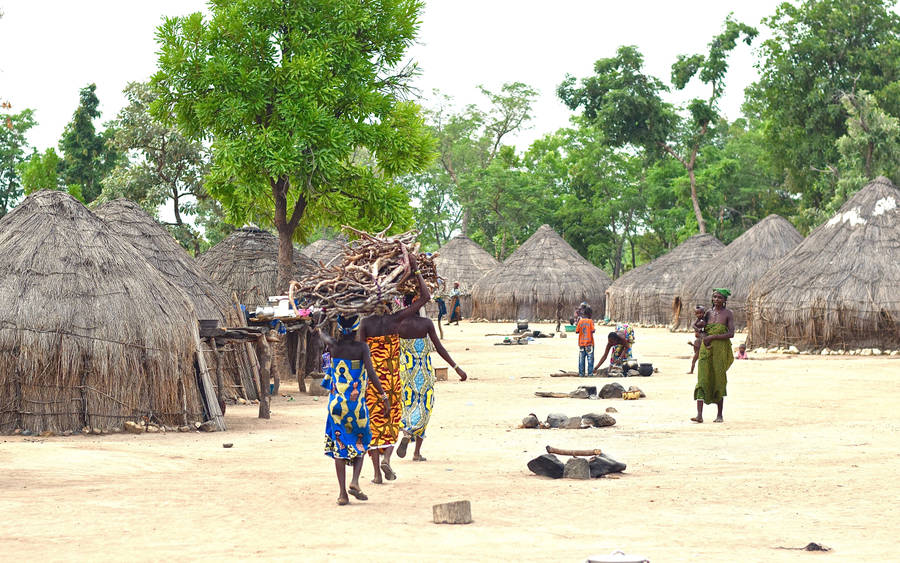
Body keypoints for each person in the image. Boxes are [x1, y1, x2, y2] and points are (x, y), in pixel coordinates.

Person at [358, 256, 430, 484]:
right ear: (390, 301)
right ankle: (387, 459)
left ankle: (377, 475)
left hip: (372, 383)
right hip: (392, 380)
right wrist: (416, 270)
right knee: (391, 422)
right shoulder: (396, 319)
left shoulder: (365, 324)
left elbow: (361, 357)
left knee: (373, 424)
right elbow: (426, 298)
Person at [318, 315, 389, 506]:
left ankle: (342, 494)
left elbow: (319, 331)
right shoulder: (362, 348)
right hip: (356, 407)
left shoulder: (333, 346)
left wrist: (325, 314)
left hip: (336, 406)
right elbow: (372, 373)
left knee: (339, 446)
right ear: (357, 328)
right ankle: (355, 481)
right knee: (362, 440)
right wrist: (384, 397)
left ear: (340, 329)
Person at [394, 292, 468, 462]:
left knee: (408, 405)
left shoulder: (398, 323)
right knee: (425, 407)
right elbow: (440, 349)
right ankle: (414, 446)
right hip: (424, 372)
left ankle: (409, 435)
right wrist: (456, 368)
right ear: (415, 303)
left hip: (406, 372)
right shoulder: (425, 323)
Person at [692, 288, 735, 423]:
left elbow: (731, 333)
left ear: (725, 300)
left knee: (718, 379)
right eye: (715, 297)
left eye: (720, 298)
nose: (716, 300)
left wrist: (714, 336)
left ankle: (719, 415)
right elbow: (699, 329)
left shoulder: (728, 314)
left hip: (720, 351)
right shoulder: (707, 313)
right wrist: (703, 336)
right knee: (702, 379)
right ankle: (699, 415)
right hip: (706, 350)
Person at [574, 305, 595, 376]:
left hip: (581, 343)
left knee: (581, 359)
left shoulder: (580, 321)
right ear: (590, 314)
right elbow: (593, 330)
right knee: (590, 359)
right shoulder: (590, 321)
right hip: (589, 343)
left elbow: (576, 331)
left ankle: (581, 373)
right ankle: (590, 373)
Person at [687, 305, 707, 374]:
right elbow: (693, 325)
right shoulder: (698, 320)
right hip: (700, 338)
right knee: (694, 359)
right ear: (695, 314)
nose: (699, 315)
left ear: (704, 313)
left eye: (700, 313)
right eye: (697, 313)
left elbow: (705, 325)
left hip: (703, 336)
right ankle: (691, 371)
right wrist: (697, 329)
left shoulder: (705, 319)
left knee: (697, 358)